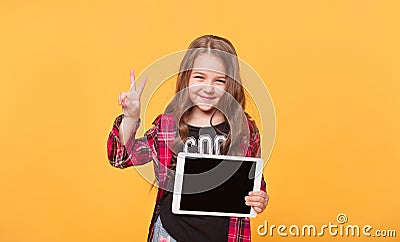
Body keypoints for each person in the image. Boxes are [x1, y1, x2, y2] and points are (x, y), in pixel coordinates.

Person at [107, 34, 269, 242]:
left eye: (219, 80)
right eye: (199, 77)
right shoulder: (168, 126)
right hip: (171, 234)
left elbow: (254, 182)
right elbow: (120, 158)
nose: (208, 87)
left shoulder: (244, 129)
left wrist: (260, 198)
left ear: (231, 84)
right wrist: (130, 117)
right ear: (186, 78)